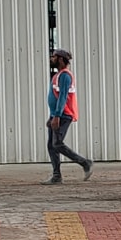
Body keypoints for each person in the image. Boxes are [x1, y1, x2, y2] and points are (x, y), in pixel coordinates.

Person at [43, 49, 94, 184]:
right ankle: (56, 176)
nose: (51, 58)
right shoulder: (58, 75)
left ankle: (85, 163)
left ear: (60, 59)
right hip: (57, 114)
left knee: (57, 144)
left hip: (64, 115)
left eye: (54, 57)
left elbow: (63, 97)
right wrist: (52, 116)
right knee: (51, 145)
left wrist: (57, 116)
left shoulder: (65, 76)